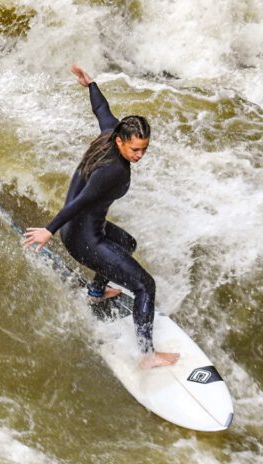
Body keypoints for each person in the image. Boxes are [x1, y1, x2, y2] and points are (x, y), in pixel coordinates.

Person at [24, 64, 179, 369]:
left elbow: (101, 109)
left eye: (144, 149)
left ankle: (96, 292)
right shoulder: (112, 171)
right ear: (121, 142)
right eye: (135, 149)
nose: (139, 156)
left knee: (127, 243)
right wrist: (48, 230)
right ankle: (148, 355)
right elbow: (80, 202)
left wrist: (91, 84)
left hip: (84, 228)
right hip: (83, 239)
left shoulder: (109, 133)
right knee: (145, 286)